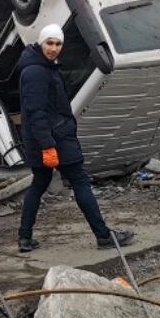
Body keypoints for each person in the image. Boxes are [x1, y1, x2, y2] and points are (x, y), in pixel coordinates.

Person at [17, 24, 134, 252]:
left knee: (39, 184)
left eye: (58, 44)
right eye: (49, 43)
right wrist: (48, 146)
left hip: (51, 137)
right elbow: (35, 113)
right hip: (55, 139)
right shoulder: (35, 72)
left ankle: (24, 237)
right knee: (80, 182)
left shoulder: (44, 67)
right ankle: (103, 236)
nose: (53, 48)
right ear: (41, 43)